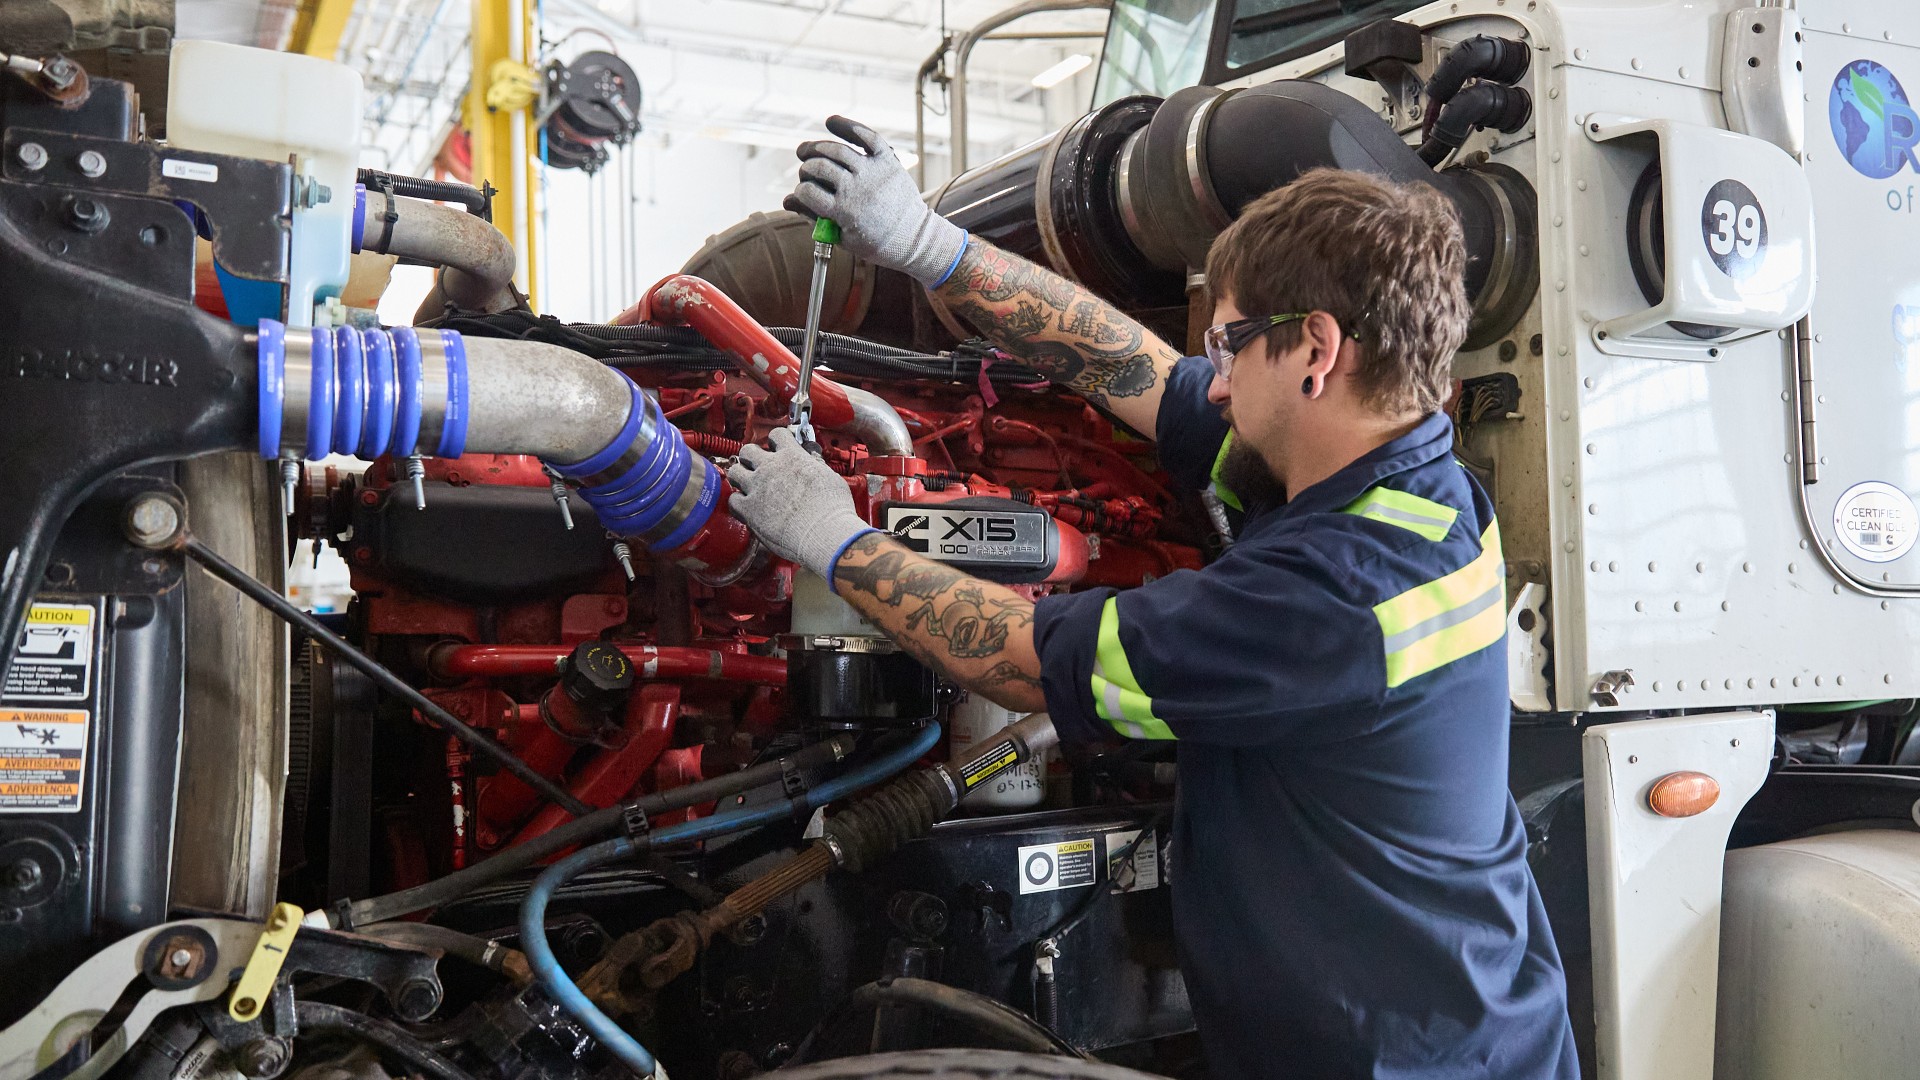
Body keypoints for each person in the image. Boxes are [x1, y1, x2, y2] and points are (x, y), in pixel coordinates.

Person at [726, 116, 1578, 1080]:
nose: (1212, 384)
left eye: (1228, 343)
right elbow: (1136, 370)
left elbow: (1016, 657)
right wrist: (929, 243)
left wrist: (837, 544)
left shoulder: (1339, 591)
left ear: (1317, 351)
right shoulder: (1407, 485)